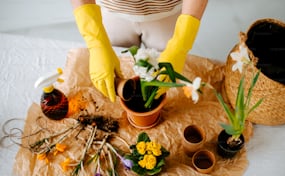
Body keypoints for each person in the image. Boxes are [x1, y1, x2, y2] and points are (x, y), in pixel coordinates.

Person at [71, 0, 208, 102]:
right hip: (110, 11)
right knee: (109, 73)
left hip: (168, 13)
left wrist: (180, 45)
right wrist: (96, 43)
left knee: (162, 73)